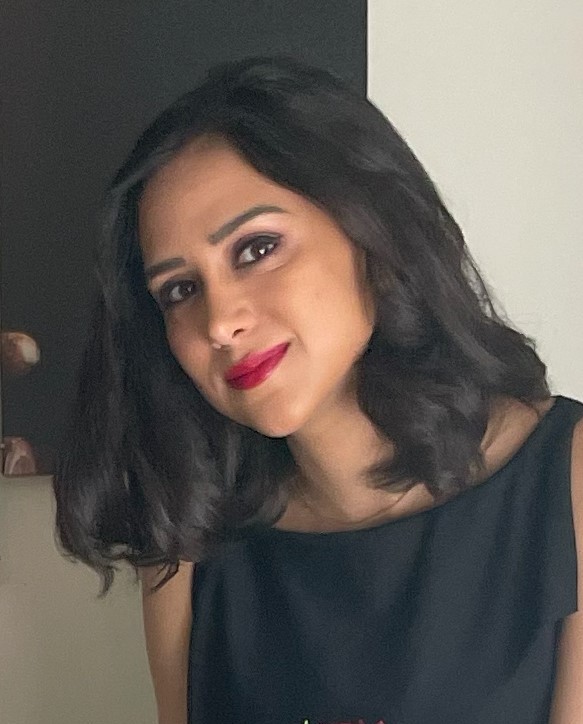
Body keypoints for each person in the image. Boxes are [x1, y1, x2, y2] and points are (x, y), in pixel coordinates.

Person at [53, 56, 583, 724]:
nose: (219, 322)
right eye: (180, 290)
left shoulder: (565, 481)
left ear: (372, 234)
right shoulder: (187, 550)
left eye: (255, 249)